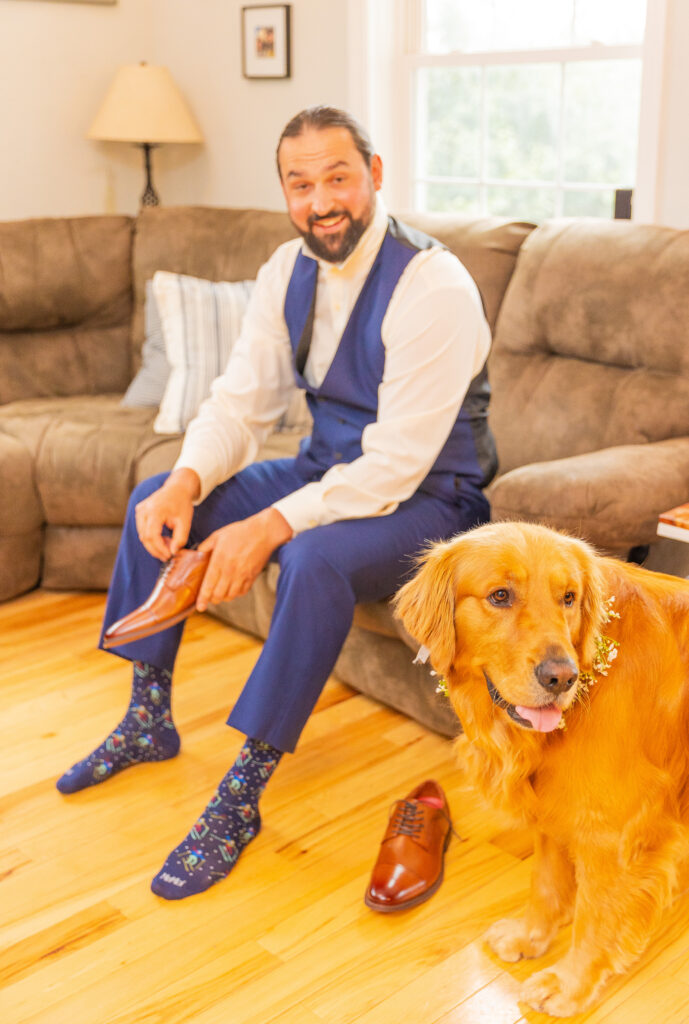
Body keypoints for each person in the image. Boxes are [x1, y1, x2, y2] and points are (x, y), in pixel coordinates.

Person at [56, 105, 497, 900]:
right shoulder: (282, 271)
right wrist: (190, 479)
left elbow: (396, 464)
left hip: (431, 502)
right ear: (285, 194)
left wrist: (268, 527)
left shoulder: (433, 285)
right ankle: (147, 719)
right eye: (301, 184)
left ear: (375, 176)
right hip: (325, 470)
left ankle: (240, 793)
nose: (321, 200)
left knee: (311, 558)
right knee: (154, 497)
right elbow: (240, 403)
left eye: (338, 177)